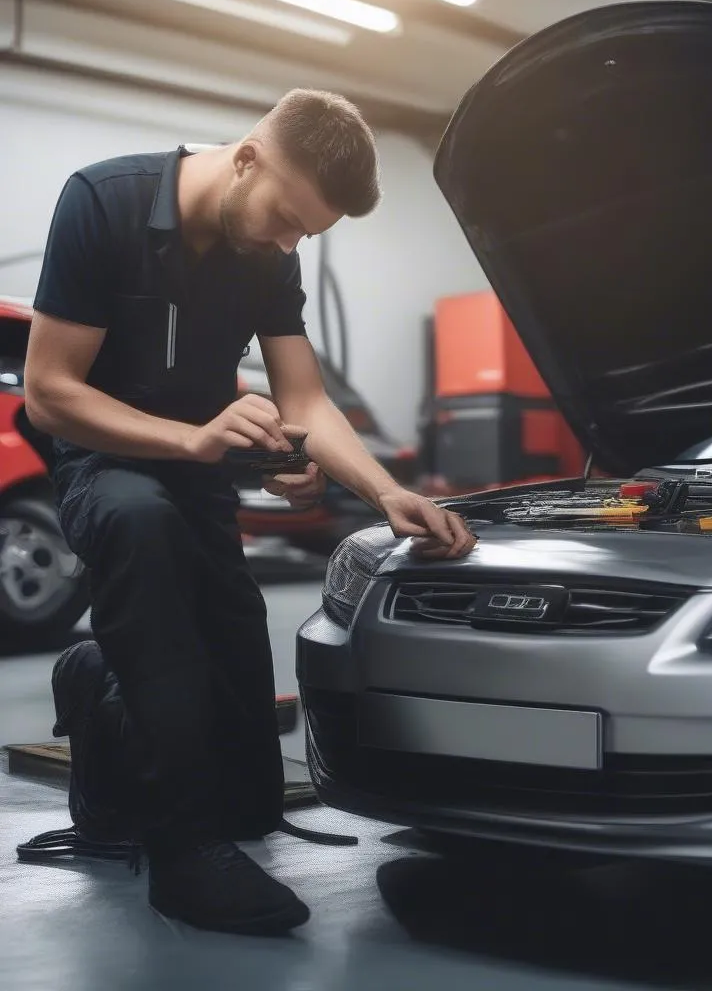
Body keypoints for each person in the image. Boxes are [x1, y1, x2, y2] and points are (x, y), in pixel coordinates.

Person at [23, 88, 477, 937]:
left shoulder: (269, 256)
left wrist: (382, 492)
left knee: (249, 792)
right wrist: (194, 440)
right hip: (104, 465)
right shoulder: (103, 201)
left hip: (197, 472)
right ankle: (178, 850)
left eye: (307, 233)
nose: (287, 242)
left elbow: (306, 398)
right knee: (141, 527)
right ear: (246, 159)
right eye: (286, 218)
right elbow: (50, 393)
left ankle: (97, 688)